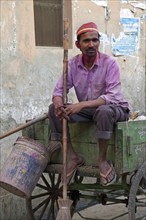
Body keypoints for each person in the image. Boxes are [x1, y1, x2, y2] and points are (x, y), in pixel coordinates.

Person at [48, 22, 130, 186]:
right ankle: (72, 157)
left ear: (99, 42)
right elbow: (58, 91)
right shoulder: (72, 64)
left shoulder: (110, 63)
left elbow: (112, 97)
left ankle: (102, 160)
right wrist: (58, 103)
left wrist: (81, 105)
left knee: (103, 110)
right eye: (86, 41)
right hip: (90, 111)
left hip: (116, 110)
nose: (91, 44)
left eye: (95, 40)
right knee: (53, 109)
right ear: (78, 45)